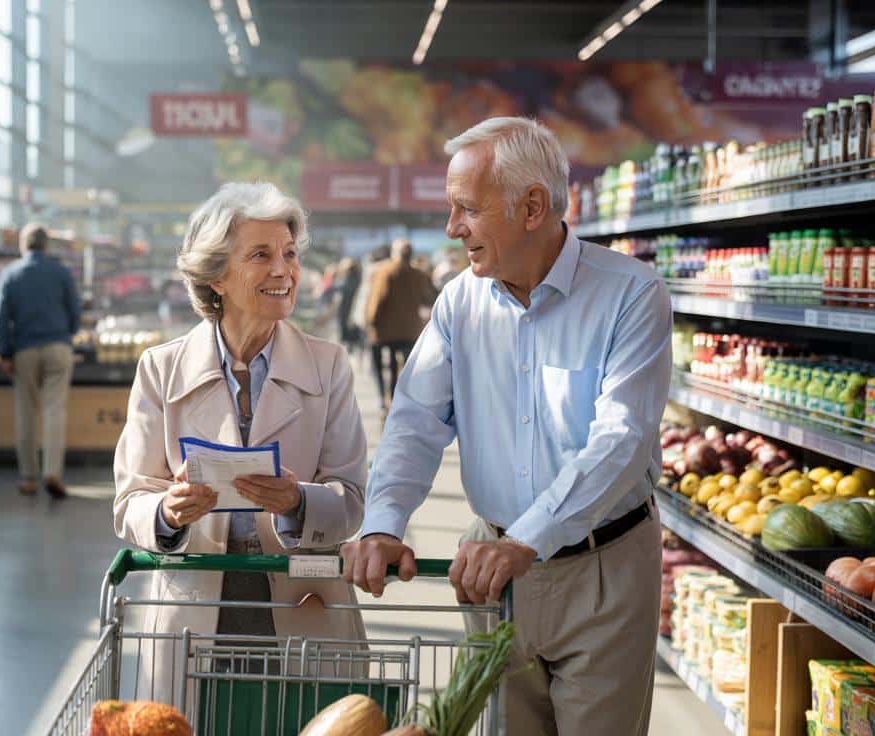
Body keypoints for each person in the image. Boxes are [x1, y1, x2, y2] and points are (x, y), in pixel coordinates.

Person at [341, 117, 671, 735]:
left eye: (467, 208)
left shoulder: (631, 293)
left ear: (532, 206)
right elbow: (414, 421)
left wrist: (527, 540)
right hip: (491, 574)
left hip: (603, 572)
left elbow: (621, 439)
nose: (452, 228)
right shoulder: (458, 303)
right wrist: (384, 522)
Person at [113, 181, 367, 702]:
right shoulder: (161, 371)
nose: (284, 270)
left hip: (305, 612)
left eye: (290, 254)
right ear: (217, 277)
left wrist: (299, 502)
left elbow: (354, 500)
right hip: (197, 618)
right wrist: (168, 512)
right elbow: (129, 503)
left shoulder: (329, 366)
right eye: (261, 255)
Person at [0, 223, 82, 498]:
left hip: (24, 350)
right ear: (46, 246)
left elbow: (0, 318)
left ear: (23, 246)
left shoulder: (9, 274)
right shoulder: (61, 272)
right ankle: (52, 472)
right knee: (55, 410)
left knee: (26, 412)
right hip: (58, 347)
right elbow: (75, 311)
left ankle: (29, 478)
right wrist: (67, 333)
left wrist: (5, 353)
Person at [365, 239, 437, 411]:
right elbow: (429, 299)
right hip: (410, 331)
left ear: (394, 254)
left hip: (385, 331)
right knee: (407, 367)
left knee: (382, 365)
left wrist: (371, 320)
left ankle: (384, 397)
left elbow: (378, 299)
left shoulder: (385, 272)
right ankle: (402, 398)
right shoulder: (419, 275)